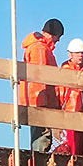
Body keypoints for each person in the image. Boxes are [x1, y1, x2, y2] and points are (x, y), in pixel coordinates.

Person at [20, 19, 62, 152]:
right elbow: (40, 77)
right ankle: (37, 165)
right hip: (40, 101)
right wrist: (43, 104)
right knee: (42, 137)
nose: (57, 42)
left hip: (38, 100)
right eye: (57, 38)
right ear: (52, 35)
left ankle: (37, 162)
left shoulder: (40, 48)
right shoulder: (40, 48)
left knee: (41, 136)